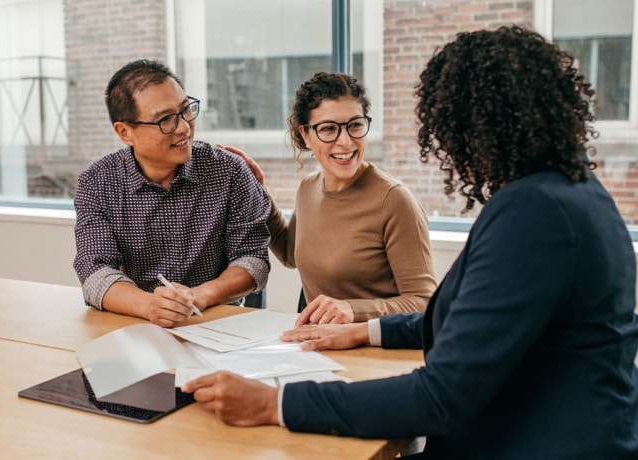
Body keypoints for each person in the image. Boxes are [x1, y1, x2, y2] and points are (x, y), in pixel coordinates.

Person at [182, 26, 638, 459]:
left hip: (540, 445)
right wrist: (364, 331)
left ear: (481, 128)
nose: (452, 152)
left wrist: (275, 404)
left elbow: (442, 394)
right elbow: (463, 321)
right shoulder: (568, 193)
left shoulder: (536, 214)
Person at [227, 71, 437, 326]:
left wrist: (352, 309)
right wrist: (259, 191)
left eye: (355, 125)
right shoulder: (308, 188)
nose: (346, 141)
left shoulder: (395, 201)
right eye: (329, 129)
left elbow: (424, 303)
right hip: (321, 344)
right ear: (305, 134)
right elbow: (290, 254)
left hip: (376, 353)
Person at [73, 59, 271, 327]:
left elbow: (253, 261)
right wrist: (149, 305)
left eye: (185, 110)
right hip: (135, 323)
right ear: (125, 132)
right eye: (165, 119)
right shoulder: (97, 182)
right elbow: (95, 272)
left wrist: (199, 296)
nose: (183, 127)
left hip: (217, 322)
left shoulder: (230, 170)